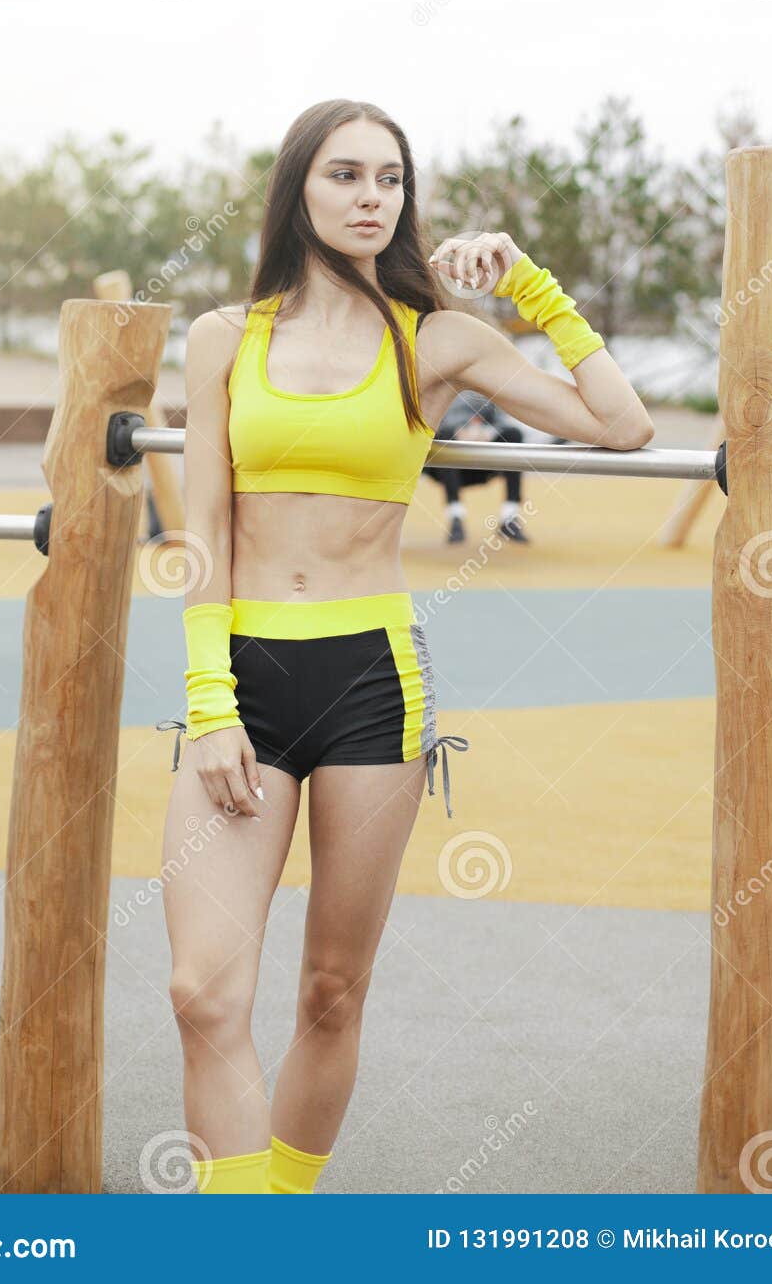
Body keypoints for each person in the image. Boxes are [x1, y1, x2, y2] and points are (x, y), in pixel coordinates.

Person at [154, 98, 654, 1196]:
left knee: (331, 987)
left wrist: (531, 288)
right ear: (299, 191)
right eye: (344, 175)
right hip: (238, 681)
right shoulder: (221, 339)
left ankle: (275, 1229)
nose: (370, 196)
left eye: (388, 178)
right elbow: (203, 529)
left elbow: (620, 426)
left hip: (369, 685)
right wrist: (208, 701)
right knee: (200, 990)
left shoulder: (435, 338)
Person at [424, 390, 531, 545]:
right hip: (447, 464)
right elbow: (427, 421)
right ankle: (456, 519)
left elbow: (502, 421)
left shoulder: (489, 389)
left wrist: (488, 432)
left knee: (513, 434)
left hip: (482, 463)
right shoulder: (441, 387)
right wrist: (459, 431)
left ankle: (509, 518)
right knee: (444, 437)